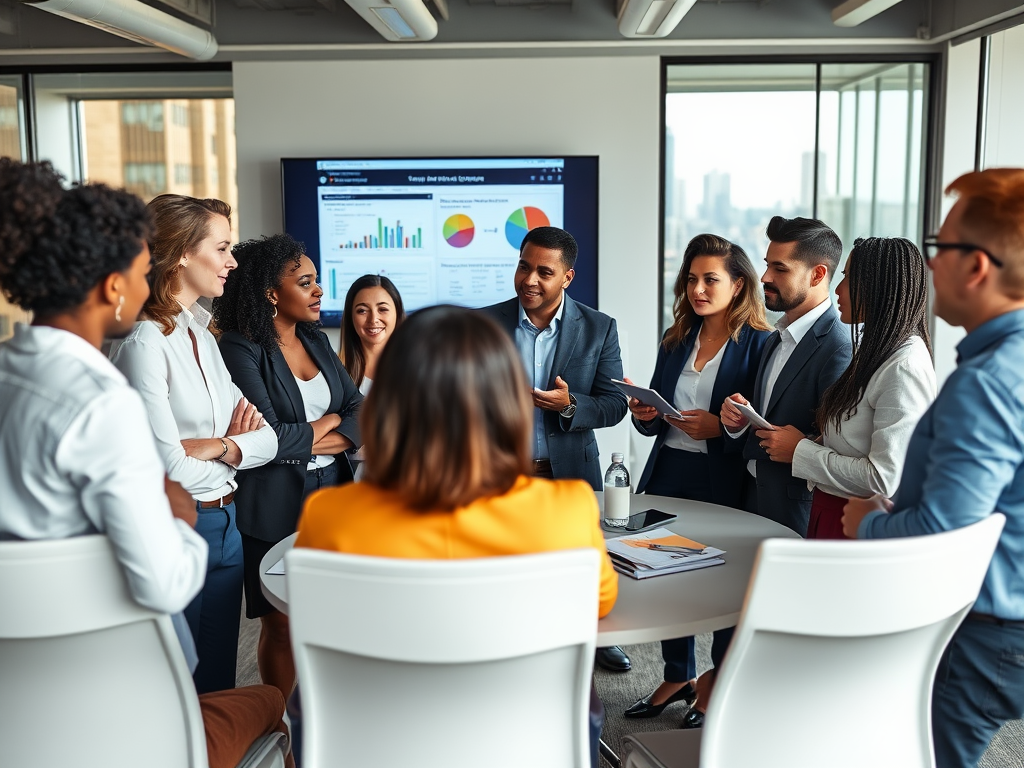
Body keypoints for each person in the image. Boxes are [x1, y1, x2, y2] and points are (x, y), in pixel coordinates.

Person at [0, 159, 291, 768]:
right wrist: (178, 514)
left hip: (26, 715)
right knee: (267, 698)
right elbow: (163, 580)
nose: (147, 280)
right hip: (126, 710)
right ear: (112, 287)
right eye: (140, 269)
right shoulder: (99, 401)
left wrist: (205, 455)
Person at [295, 305, 618, 768]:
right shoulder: (567, 509)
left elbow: (320, 617)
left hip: (378, 742)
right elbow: (599, 604)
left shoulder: (330, 516)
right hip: (518, 741)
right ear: (505, 400)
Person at [843, 169, 1024, 768]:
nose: (930, 265)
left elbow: (946, 533)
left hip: (986, 626)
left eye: (938, 248)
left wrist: (868, 523)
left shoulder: (988, 383)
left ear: (976, 266)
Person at [113, 194, 278, 694]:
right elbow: (165, 466)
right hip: (181, 521)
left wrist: (214, 446)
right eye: (223, 247)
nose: (233, 261)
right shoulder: (144, 342)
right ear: (182, 253)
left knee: (219, 683)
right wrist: (231, 445)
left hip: (226, 521)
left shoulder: (202, 335)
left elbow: (266, 438)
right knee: (177, 685)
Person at [622, 234, 771, 723]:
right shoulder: (677, 338)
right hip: (669, 470)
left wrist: (719, 429)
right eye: (691, 279)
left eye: (711, 279)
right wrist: (644, 411)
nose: (699, 289)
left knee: (726, 581)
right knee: (666, 576)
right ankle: (676, 674)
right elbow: (652, 418)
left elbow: (760, 422)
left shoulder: (760, 345)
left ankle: (716, 682)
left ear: (738, 284)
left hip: (723, 477)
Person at [214, 233, 362, 700]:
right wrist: (331, 427)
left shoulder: (317, 340)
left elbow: (362, 412)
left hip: (335, 495)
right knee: (281, 622)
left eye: (317, 280)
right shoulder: (239, 348)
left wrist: (326, 424)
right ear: (270, 293)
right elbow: (265, 441)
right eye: (305, 282)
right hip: (273, 501)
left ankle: (334, 715)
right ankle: (280, 722)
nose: (319, 290)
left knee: (339, 614)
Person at [480, 225, 630, 673]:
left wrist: (571, 406)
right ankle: (507, 647)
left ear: (567, 277)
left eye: (544, 271)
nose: (529, 279)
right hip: (500, 473)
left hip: (567, 471)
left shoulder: (599, 328)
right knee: (499, 568)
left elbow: (615, 403)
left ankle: (597, 640)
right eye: (523, 266)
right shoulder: (484, 324)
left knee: (578, 567)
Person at [756, 237, 934, 539]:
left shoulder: (904, 365)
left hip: (852, 523)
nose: (837, 290)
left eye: (848, 278)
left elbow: (882, 479)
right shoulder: (875, 351)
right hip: (830, 512)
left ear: (878, 287)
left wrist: (801, 451)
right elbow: (854, 440)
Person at [721, 215, 853, 537]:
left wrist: (798, 446)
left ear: (817, 274)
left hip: (795, 510)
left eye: (780, 269)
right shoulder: (775, 337)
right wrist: (737, 424)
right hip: (751, 497)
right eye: (767, 265)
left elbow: (840, 449)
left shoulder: (838, 348)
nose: (765, 277)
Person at [338, 273, 405, 396]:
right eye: (362, 311)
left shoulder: (418, 364)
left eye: (383, 309)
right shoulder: (335, 368)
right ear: (350, 317)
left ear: (397, 313)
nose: (373, 319)